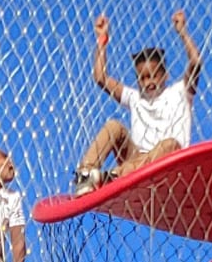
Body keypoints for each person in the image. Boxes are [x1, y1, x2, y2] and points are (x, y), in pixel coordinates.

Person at [72, 10, 203, 195]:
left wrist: (182, 31)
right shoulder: (135, 98)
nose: (148, 82)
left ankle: (110, 177)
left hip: (169, 162)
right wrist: (102, 40)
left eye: (153, 76)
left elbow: (196, 62)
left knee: (170, 144)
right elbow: (100, 77)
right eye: (142, 78)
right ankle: (85, 176)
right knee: (113, 126)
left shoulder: (180, 92)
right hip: (137, 160)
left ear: (164, 75)